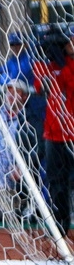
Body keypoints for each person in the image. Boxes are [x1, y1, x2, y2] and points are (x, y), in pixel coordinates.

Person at [0, 79, 40, 221]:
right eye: (8, 92)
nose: (10, 95)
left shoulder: (30, 120)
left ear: (24, 97)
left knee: (5, 216)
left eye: (15, 92)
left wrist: (22, 166)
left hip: (11, 172)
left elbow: (37, 150)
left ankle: (15, 204)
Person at [34, 29, 74, 235]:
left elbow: (70, 84)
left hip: (73, 133)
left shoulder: (70, 65)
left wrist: (65, 61)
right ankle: (60, 226)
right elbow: (43, 87)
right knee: (57, 182)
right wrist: (54, 60)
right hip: (53, 133)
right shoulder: (44, 63)